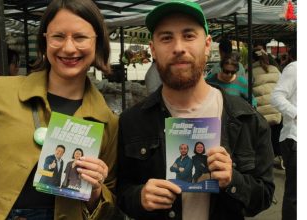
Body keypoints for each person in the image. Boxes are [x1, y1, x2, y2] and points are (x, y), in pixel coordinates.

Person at [0, 0, 120, 219]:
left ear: (98, 42)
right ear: (44, 41)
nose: (69, 48)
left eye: (80, 37)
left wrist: (96, 191)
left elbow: (110, 204)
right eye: (58, 36)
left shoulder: (106, 121)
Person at [116, 1, 275, 219]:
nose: (178, 47)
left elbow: (264, 196)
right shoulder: (131, 121)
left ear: (207, 45)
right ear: (153, 49)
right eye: (166, 38)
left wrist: (233, 180)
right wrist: (139, 196)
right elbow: (120, 190)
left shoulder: (247, 119)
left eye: (189, 36)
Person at [271, 46, 297, 220]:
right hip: (295, 138)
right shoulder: (296, 68)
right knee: (295, 196)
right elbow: (276, 97)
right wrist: (297, 113)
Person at [251, 47, 282, 162]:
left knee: (263, 139)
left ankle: (266, 159)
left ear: (253, 58)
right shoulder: (276, 70)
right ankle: (277, 157)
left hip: (260, 113)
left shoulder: (250, 72)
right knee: (275, 136)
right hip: (276, 110)